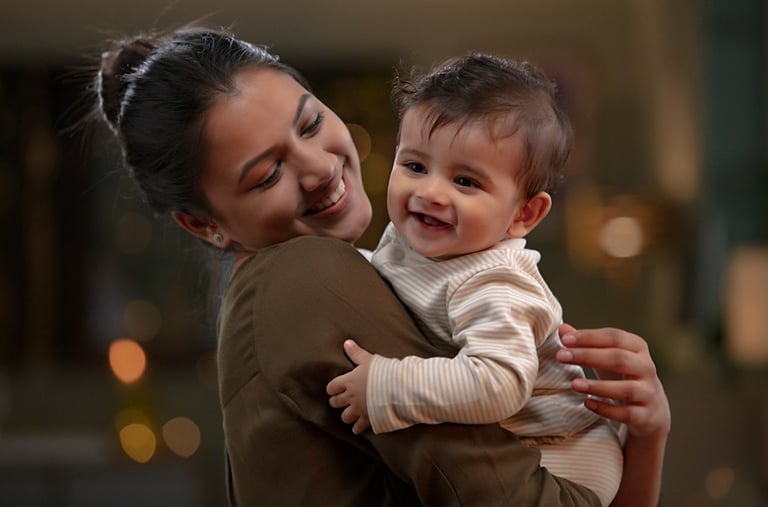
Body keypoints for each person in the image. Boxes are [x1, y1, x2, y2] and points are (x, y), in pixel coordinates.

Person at [91, 25, 670, 506]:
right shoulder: (306, 279)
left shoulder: (365, 273)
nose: (319, 167)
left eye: (311, 123)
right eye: (266, 173)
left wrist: (646, 435)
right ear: (202, 224)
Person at [325, 54, 621, 505]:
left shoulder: (493, 282)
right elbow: (393, 282)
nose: (430, 192)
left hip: (562, 465)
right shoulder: (416, 241)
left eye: (465, 181)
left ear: (524, 214)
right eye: (416, 166)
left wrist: (388, 386)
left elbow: (497, 384)